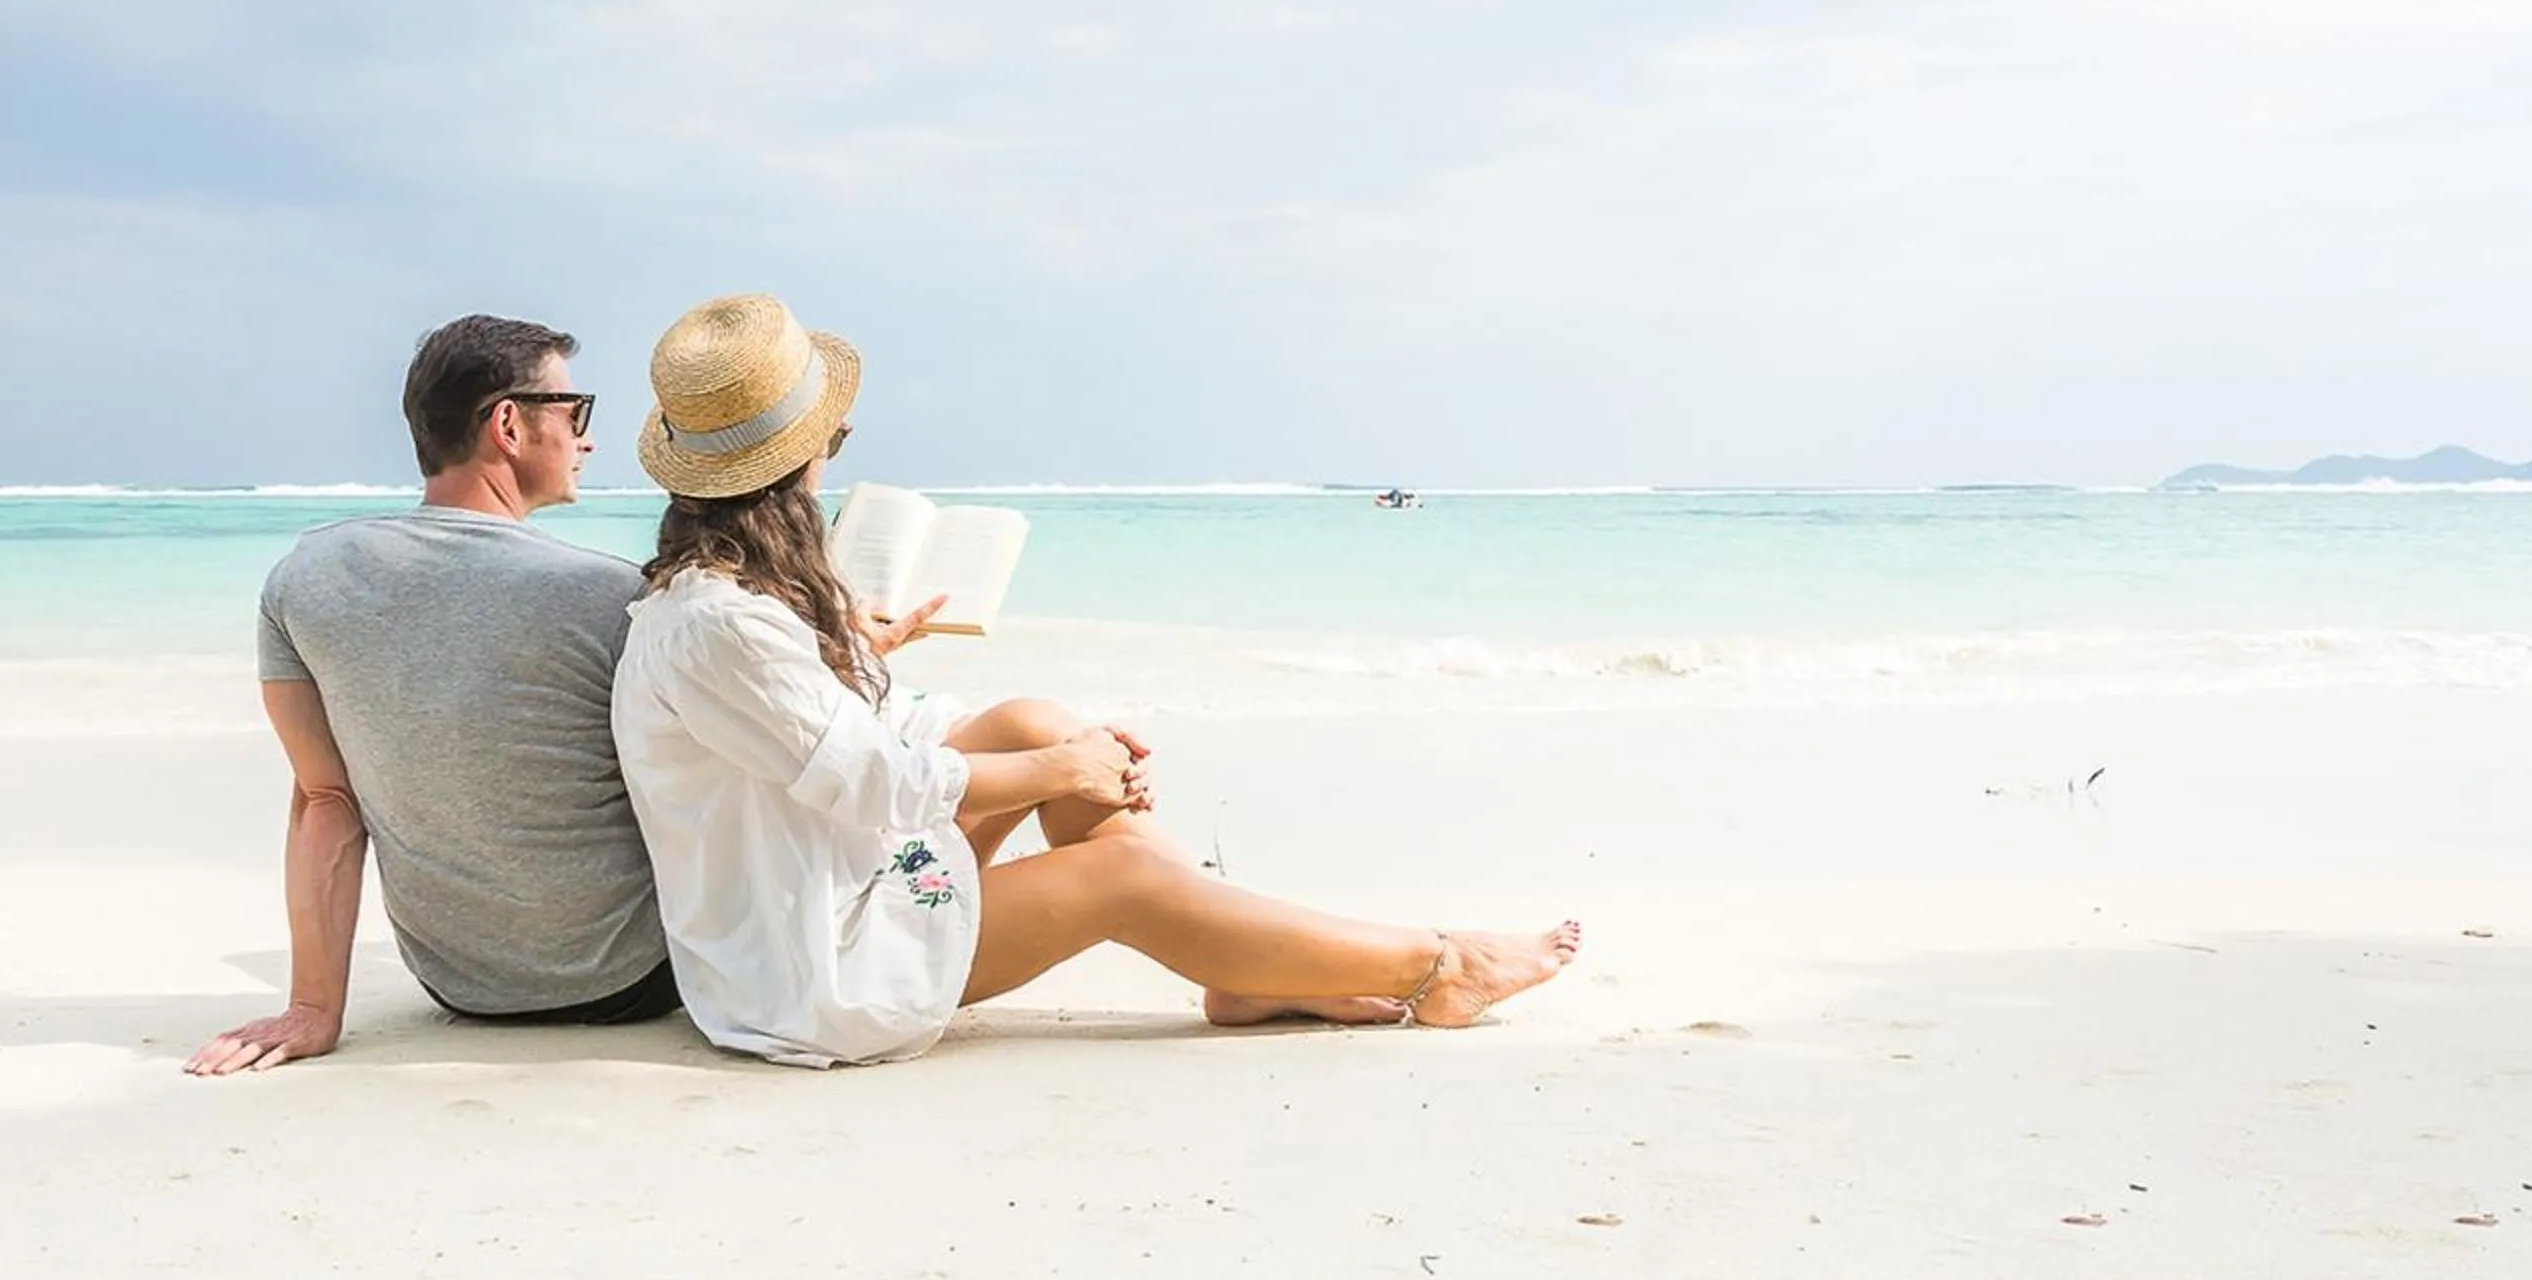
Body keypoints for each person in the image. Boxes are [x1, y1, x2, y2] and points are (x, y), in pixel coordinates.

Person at [610, 292, 1579, 1068]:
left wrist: (1053, 745)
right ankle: (1438, 965)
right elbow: (871, 781)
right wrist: (1059, 773)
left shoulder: (739, 598)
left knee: (1032, 718)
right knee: (1113, 867)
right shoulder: (720, 623)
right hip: (816, 970)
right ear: (798, 463)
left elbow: (864, 738)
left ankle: (1242, 964)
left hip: (832, 880)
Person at [188, 315, 674, 1075]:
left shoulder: (306, 579)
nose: (586, 439)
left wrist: (314, 1009)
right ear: (510, 424)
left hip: (462, 987)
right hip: (634, 980)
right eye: (575, 412)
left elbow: (325, 802)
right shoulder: (608, 593)